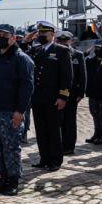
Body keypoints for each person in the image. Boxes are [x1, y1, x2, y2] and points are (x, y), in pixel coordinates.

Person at [0, 24, 34, 195]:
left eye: (4, 34)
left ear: (13, 37)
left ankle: (13, 180)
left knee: (11, 147)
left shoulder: (21, 58)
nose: (0, 36)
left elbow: (27, 87)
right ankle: (2, 177)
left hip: (11, 111)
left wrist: (20, 111)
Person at [30, 21, 73, 172]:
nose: (41, 35)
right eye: (40, 33)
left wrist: (63, 96)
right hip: (38, 98)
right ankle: (44, 158)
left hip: (53, 98)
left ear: (52, 34)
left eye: (44, 33)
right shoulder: (36, 50)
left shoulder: (61, 50)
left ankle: (55, 160)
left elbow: (67, 76)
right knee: (41, 130)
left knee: (53, 130)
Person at [56, 31, 86, 155]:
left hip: (72, 94)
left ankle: (69, 146)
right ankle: (59, 144)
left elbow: (83, 75)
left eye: (66, 41)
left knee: (70, 121)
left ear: (71, 41)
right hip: (57, 93)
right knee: (58, 120)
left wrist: (81, 93)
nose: (64, 43)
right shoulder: (55, 54)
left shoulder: (78, 55)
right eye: (61, 41)